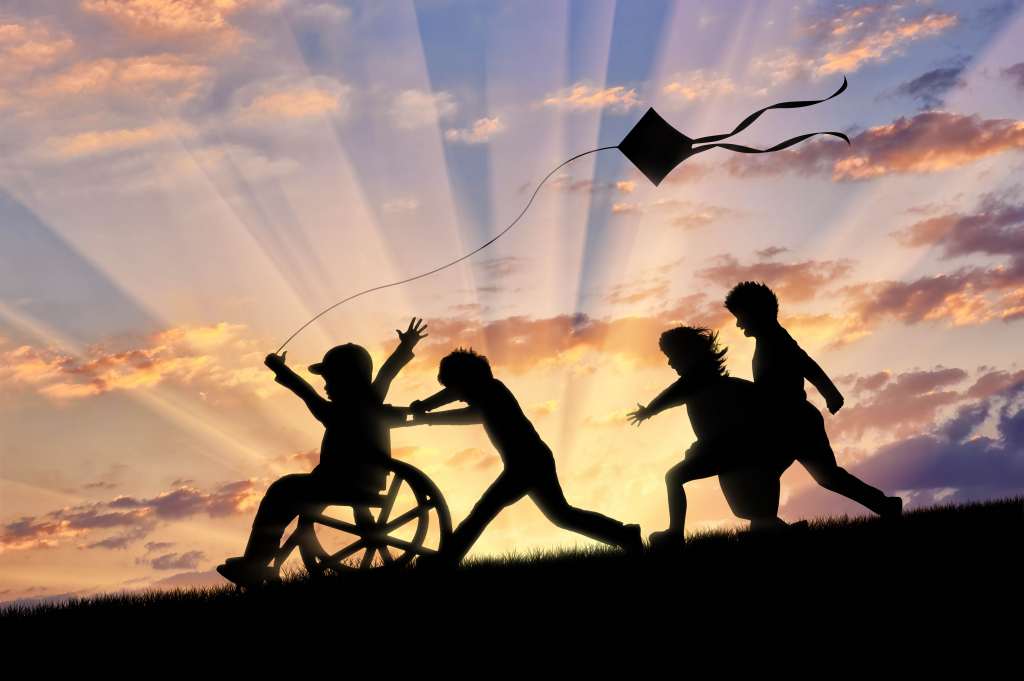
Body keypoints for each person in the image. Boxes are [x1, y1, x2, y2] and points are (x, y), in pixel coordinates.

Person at [216, 318, 428, 587]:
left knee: (281, 492)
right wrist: (406, 346)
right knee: (289, 494)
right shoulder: (370, 401)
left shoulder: (346, 410)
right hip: (361, 480)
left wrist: (278, 368)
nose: (326, 386)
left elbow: (306, 393)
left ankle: (257, 563)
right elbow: (386, 372)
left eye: (330, 379)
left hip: (342, 482)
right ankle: (260, 562)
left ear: (346, 379)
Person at [410, 348, 642, 567]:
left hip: (525, 465)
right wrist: (426, 405)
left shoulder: (492, 393)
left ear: (468, 381)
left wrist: (428, 417)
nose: (460, 398)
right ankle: (625, 534)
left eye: (460, 390)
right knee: (562, 515)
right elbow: (452, 394)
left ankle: (445, 561)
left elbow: (471, 414)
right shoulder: (486, 388)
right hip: (533, 460)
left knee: (482, 512)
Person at [723, 281, 901, 517]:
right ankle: (885, 505)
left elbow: (807, 365)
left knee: (779, 473)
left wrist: (831, 393)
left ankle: (767, 524)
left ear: (758, 313)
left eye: (740, 316)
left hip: (795, 421)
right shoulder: (768, 341)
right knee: (822, 476)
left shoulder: (777, 340)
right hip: (789, 420)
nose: (738, 323)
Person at [628, 326, 792, 549]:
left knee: (674, 477)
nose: (670, 363)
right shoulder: (711, 381)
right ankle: (780, 534)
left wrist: (648, 411)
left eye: (672, 357)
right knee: (751, 511)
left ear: (688, 354)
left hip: (725, 451)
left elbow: (673, 394)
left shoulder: (696, 380)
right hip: (725, 451)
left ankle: (675, 534)